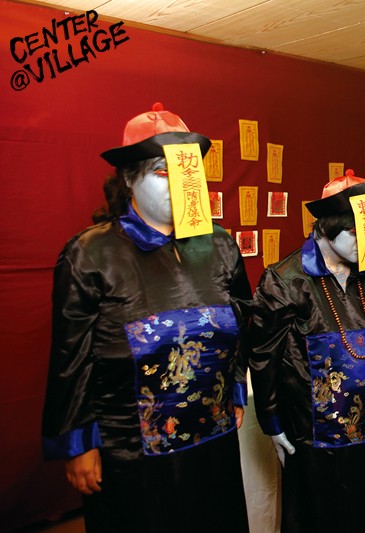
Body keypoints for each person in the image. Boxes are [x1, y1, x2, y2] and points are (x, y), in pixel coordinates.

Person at [41, 103, 251, 532]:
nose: (177, 183)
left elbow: (241, 322)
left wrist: (233, 391)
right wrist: (78, 443)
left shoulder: (220, 245)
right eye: (161, 171)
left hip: (212, 435)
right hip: (131, 447)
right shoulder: (91, 254)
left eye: (186, 171)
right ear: (128, 178)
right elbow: (71, 357)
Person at [247, 170, 365, 533]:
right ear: (326, 227)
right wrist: (273, 422)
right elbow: (263, 356)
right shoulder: (285, 280)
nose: (364, 241)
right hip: (314, 431)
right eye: (354, 232)